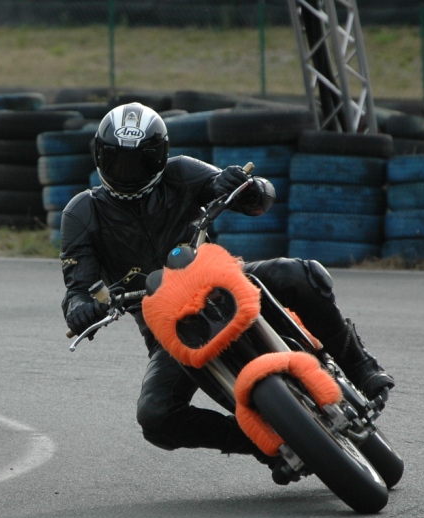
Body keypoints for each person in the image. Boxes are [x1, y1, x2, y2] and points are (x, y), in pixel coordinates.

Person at [59, 102, 394, 482]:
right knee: (155, 416)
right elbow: (76, 285)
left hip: (222, 280)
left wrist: (244, 187)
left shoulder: (181, 172)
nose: (128, 172)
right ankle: (262, 442)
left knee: (298, 274)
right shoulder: (82, 213)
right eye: (118, 161)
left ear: (160, 156)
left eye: (140, 161)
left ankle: (360, 367)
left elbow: (259, 197)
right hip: (167, 326)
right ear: (99, 156)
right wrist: (81, 306)